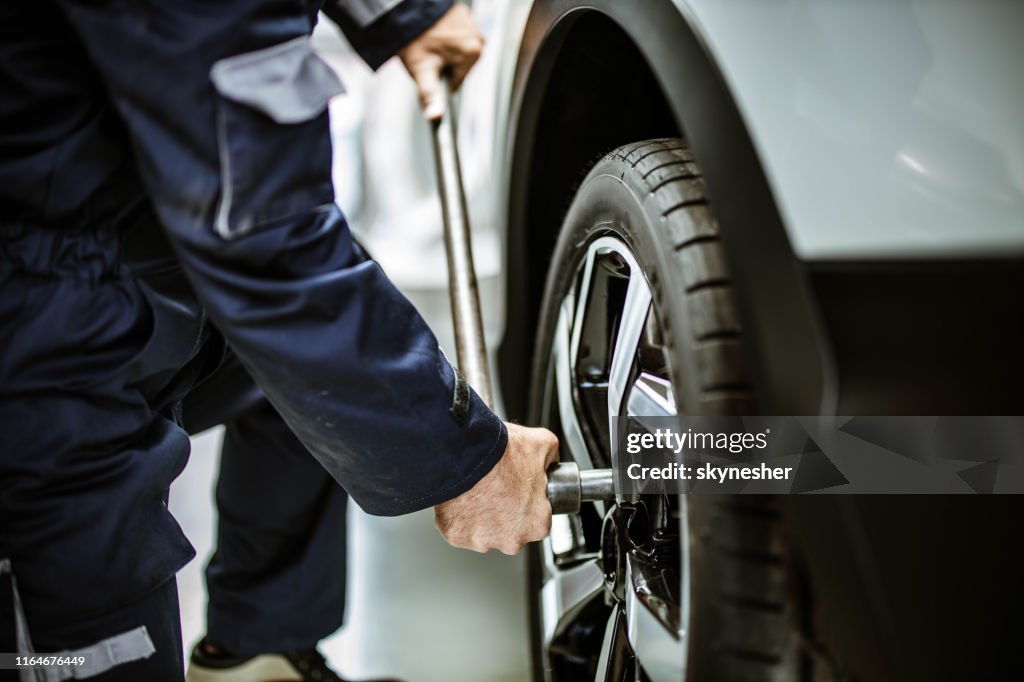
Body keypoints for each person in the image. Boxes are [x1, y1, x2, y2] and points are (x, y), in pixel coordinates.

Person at [0, 1, 558, 680]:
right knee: (90, 606)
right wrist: (470, 459)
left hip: (101, 248)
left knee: (312, 386)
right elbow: (265, 244)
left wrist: (405, 12)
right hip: (33, 335)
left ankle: (257, 648)